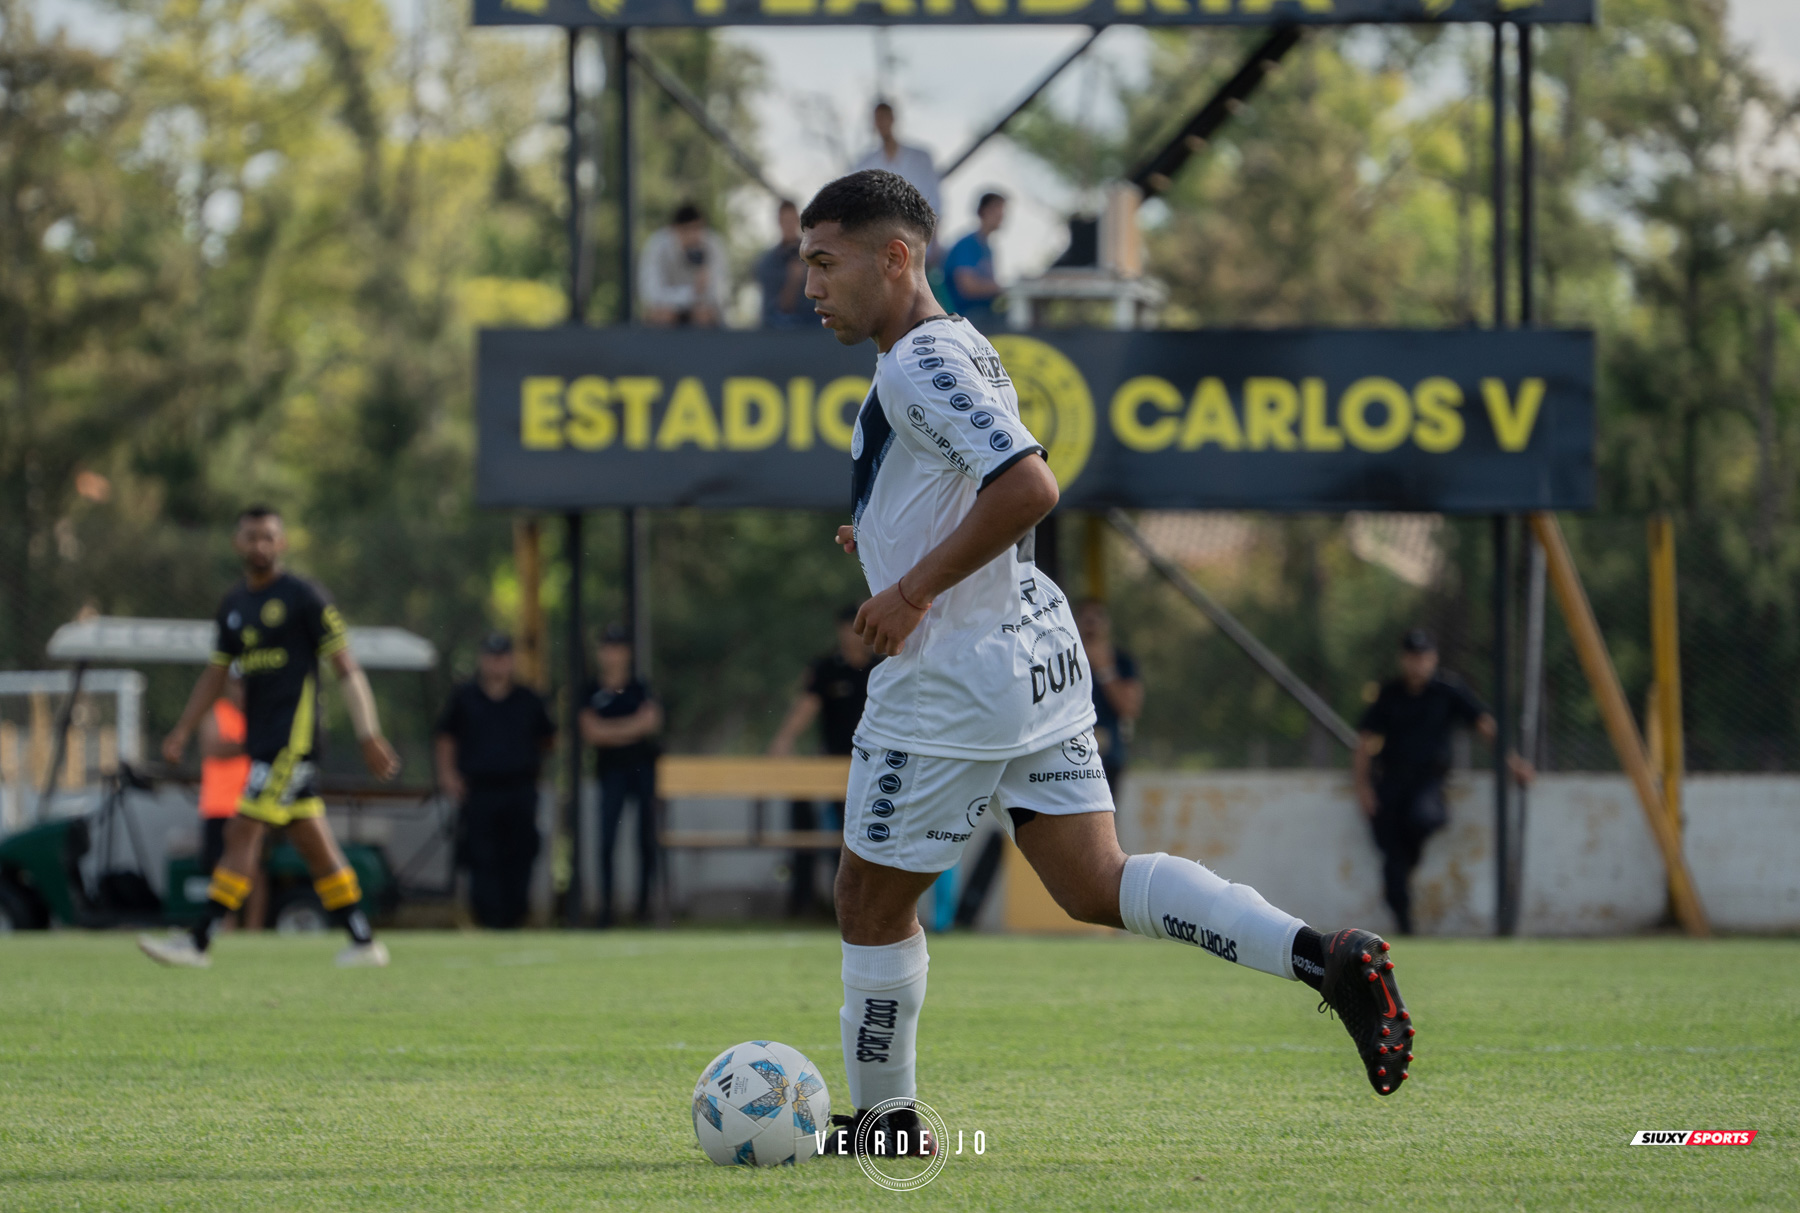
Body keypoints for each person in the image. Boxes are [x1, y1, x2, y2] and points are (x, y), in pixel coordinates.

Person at [796, 170, 1416, 1158]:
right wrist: (884, 546)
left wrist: (911, 590)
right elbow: (966, 492)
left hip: (956, 673)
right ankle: (1322, 955)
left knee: (868, 902)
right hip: (1030, 649)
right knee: (1094, 880)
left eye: (825, 261)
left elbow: (1030, 486)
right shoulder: (955, 347)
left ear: (896, 256)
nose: (809, 285)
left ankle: (886, 1124)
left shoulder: (917, 361)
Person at [142, 505, 401, 968]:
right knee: (312, 842)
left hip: (292, 741)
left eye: (268, 537)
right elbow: (215, 675)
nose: (259, 545)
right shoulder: (233, 606)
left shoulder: (305, 597)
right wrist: (182, 729)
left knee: (242, 830)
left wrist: (369, 733)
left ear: (282, 543)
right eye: (251, 537)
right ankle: (363, 941)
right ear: (236, 544)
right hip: (263, 741)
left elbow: (347, 667)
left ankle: (199, 941)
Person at [1354, 628, 1535, 936]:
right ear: (1403, 659)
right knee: (1391, 858)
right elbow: (1365, 742)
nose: (1418, 664)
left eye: (1423, 657)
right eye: (1412, 658)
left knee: (1424, 817)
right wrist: (1363, 788)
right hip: (1392, 783)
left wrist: (1513, 763)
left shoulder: (1447, 691)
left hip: (1428, 782)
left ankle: (1404, 876)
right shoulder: (1390, 694)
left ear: (1433, 658)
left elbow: (1484, 725)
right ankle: (1404, 924)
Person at [434, 632, 556, 930]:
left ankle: (516, 918)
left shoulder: (528, 699)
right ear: (482, 659)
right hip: (479, 790)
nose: (497, 663)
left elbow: (549, 739)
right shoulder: (465, 697)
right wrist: (448, 776)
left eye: (503, 657)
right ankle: (487, 918)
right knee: (481, 856)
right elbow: (446, 738)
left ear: (511, 661)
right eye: (491, 657)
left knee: (520, 853)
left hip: (520, 789)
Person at [768, 604, 876, 915]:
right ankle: (821, 903)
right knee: (830, 834)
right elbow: (807, 705)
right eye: (848, 627)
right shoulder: (827, 667)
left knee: (865, 836)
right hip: (833, 767)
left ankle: (864, 903)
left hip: (872, 767)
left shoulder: (881, 667)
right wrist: (783, 741)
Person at [580, 625, 663, 926]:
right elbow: (591, 732)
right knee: (607, 840)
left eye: (618, 648)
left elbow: (651, 723)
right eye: (607, 648)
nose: (612, 655)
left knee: (645, 839)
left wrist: (610, 731)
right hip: (610, 771)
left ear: (627, 653)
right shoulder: (591, 690)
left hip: (642, 770)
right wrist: (631, 728)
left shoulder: (641, 687)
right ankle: (606, 910)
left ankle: (643, 908)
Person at [1076, 600, 1144, 795]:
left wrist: (1105, 670)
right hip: (1070, 753)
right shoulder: (1063, 659)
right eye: (1085, 619)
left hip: (1109, 754)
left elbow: (1130, 708)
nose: (1091, 625)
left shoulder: (1122, 661)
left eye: (1096, 618)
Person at [639, 202, 730, 327]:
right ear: (675, 230)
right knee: (662, 315)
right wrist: (691, 294)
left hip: (700, 313)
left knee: (704, 315)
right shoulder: (657, 245)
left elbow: (719, 295)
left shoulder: (713, 245)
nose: (694, 236)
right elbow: (651, 294)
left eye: (698, 229)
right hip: (668, 313)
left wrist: (704, 285)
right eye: (688, 229)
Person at [852, 102, 942, 224]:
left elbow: (934, 202)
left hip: (918, 230)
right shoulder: (864, 164)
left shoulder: (920, 158)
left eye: (885, 117)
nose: (882, 123)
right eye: (878, 118)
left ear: (893, 118)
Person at [941, 192, 1006, 328]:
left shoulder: (986, 247)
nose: (1001, 215)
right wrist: (1002, 288)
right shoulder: (968, 244)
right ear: (983, 211)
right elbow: (967, 287)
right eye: (996, 209)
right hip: (966, 317)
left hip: (982, 314)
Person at [758, 199, 811, 329]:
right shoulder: (767, 263)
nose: (789, 226)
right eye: (785, 221)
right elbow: (776, 310)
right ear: (779, 222)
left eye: (792, 220)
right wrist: (793, 281)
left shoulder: (813, 257)